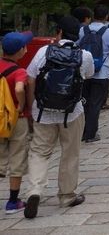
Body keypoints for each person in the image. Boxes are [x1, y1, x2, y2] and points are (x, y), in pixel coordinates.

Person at [23, 16, 93, 218]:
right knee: (70, 153)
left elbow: (30, 80)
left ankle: (35, 190)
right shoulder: (84, 55)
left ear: (58, 32)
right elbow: (88, 75)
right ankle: (66, 195)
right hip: (72, 112)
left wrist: (32, 108)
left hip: (43, 112)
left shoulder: (43, 52)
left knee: (39, 152)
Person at [0, 31, 32, 214]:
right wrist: (20, 104)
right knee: (17, 158)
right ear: (21, 50)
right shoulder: (19, 71)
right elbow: (20, 88)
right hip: (16, 120)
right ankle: (13, 201)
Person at [79, 4, 109, 143]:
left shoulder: (83, 30)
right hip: (102, 72)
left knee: (85, 102)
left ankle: (83, 131)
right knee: (96, 103)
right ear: (106, 17)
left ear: (93, 15)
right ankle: (91, 133)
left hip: (84, 72)